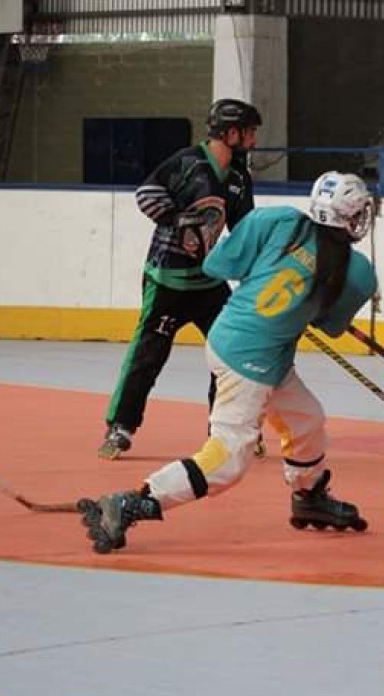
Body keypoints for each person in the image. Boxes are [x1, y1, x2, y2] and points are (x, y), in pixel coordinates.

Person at [77, 172, 377, 554]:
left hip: (239, 340)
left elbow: (217, 265)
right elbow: (331, 326)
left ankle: (309, 495)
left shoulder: (277, 220)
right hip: (248, 360)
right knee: (229, 459)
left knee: (307, 420)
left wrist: (267, 270)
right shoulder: (357, 274)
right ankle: (135, 501)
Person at [98, 98, 264, 460]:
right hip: (167, 281)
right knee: (148, 356)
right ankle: (121, 426)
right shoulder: (189, 162)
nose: (253, 142)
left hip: (208, 284)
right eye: (249, 133)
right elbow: (147, 194)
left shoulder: (238, 178)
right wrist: (177, 219)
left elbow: (245, 231)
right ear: (231, 133)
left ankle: (224, 429)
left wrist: (258, 268)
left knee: (230, 354)